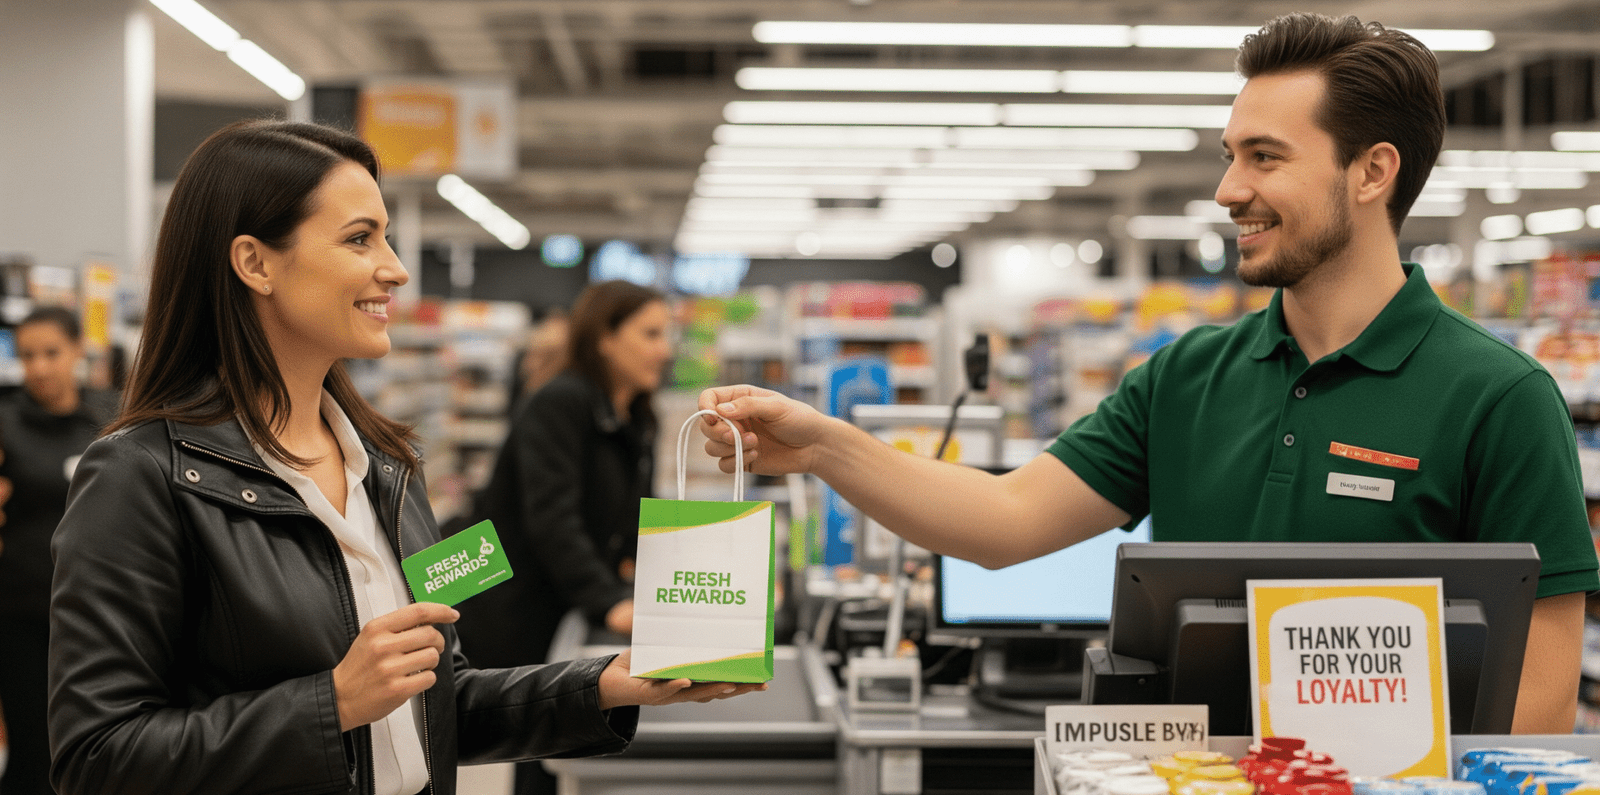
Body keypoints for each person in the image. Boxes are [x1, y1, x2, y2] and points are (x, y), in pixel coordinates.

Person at [697, 13, 1600, 735]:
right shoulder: (1187, 377)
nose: (1226, 190)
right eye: (1229, 154)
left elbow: (1543, 707)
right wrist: (823, 445)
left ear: (1372, 173)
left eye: (1265, 157)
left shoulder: (1500, 398)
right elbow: (1003, 522)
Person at [46, 120, 760, 795]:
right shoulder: (143, 475)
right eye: (361, 239)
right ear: (254, 262)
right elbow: (96, 757)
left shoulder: (386, 467)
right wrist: (331, 703)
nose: (395, 270)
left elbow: (436, 701)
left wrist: (604, 683)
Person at [453, 280, 671, 795]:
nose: (665, 349)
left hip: (567, 598)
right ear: (605, 338)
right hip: (519, 599)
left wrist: (668, 584)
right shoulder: (559, 402)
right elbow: (552, 520)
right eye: (651, 333)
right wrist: (610, 602)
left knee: (568, 730)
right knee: (539, 734)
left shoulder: (639, 415)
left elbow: (647, 516)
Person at [0, 307, 117, 795]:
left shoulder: (112, 415)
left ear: (76, 351)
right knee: (34, 747)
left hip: (101, 612)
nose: (40, 367)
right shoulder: (6, 424)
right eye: (28, 355)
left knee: (102, 742)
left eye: (51, 353)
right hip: (26, 612)